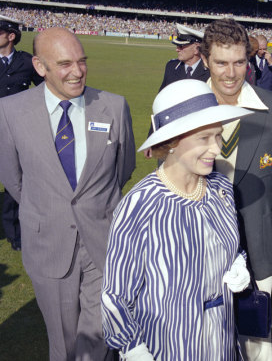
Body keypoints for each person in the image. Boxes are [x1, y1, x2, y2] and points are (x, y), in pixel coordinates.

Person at [0, 27, 136, 360]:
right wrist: (51, 208)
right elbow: (15, 180)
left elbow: (124, 167)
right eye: (64, 64)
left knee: (100, 336)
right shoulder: (10, 111)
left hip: (102, 243)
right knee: (63, 342)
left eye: (81, 61)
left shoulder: (114, 107)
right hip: (48, 243)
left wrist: (93, 205)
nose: (76, 71)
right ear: (39, 66)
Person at [102, 79, 253, 360]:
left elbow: (229, 245)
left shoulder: (221, 188)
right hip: (167, 347)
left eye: (218, 136)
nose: (217, 149)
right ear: (171, 142)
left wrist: (238, 262)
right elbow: (116, 295)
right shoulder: (140, 205)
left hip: (221, 342)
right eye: (204, 138)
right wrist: (133, 348)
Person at [200, 18, 272, 361]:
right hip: (200, 247)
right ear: (205, 61)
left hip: (259, 246)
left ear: (249, 59)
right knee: (203, 338)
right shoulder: (189, 105)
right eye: (221, 63)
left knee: (255, 342)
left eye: (239, 62)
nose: (231, 73)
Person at [0, 14, 43, 251]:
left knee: (14, 185)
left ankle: (14, 234)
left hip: (15, 133)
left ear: (11, 36)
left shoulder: (27, 62)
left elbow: (46, 90)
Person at [159, 23, 209, 91]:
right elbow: (162, 95)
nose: (177, 49)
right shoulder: (171, 66)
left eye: (181, 46)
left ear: (196, 49)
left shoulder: (210, 71)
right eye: (177, 46)